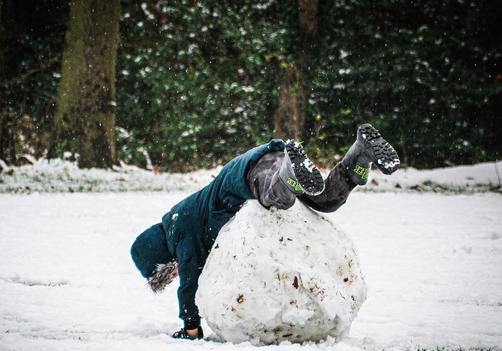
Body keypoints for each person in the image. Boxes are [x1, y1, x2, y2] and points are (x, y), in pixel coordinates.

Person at [130, 124, 400, 340]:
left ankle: (289, 173)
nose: (175, 273)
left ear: (161, 261)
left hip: (251, 171)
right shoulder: (182, 221)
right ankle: (360, 155)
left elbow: (189, 282)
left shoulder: (180, 229)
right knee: (327, 200)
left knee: (276, 197)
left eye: (168, 272)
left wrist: (191, 328)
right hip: (268, 165)